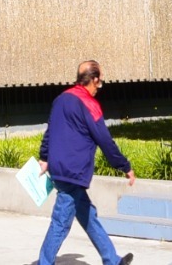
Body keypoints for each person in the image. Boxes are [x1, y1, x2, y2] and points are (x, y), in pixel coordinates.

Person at [33, 59, 134, 265]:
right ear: (94, 79)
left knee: (88, 215)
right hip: (74, 172)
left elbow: (50, 132)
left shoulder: (61, 99)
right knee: (61, 222)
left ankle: (112, 259)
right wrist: (124, 166)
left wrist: (44, 158)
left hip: (59, 168)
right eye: (100, 82)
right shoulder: (89, 103)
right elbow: (104, 139)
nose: (99, 87)